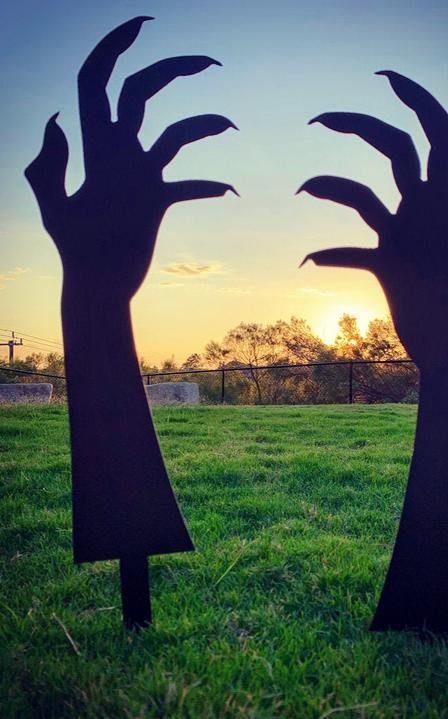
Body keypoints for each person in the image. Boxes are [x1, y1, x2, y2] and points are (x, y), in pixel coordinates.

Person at [24, 16, 238, 628]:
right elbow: (100, 90)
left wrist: (100, 278)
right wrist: (97, 277)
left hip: (95, 290)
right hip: (93, 289)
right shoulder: (93, 231)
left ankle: (133, 548)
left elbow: (67, 140)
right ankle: (132, 551)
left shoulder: (98, 226)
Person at [299, 71, 448, 631]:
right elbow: (435, 140)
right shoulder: (445, 269)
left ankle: (439, 601)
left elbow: (435, 140)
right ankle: (441, 601)